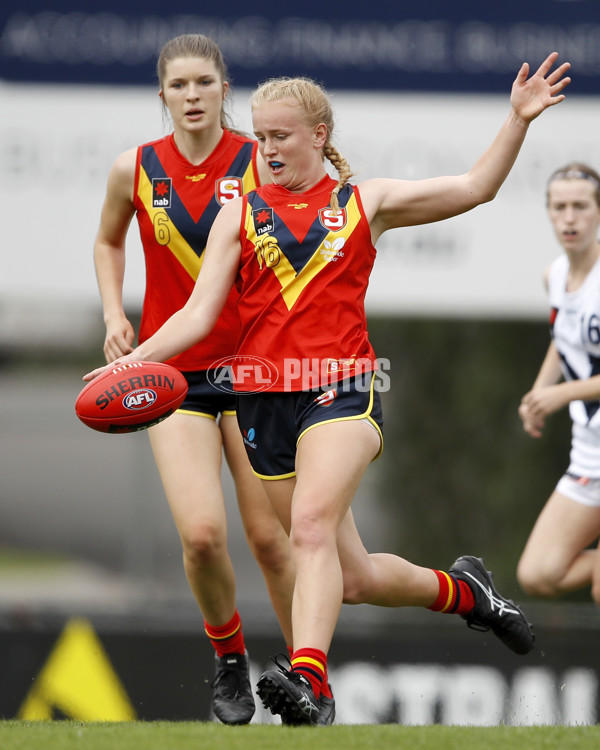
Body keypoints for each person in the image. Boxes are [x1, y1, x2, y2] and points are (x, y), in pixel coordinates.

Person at [86, 51, 570, 725]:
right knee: (358, 577)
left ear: (319, 134)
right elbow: (197, 316)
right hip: (262, 404)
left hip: (342, 392)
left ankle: (310, 681)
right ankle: (470, 594)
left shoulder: (363, 202)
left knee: (309, 527)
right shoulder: (241, 213)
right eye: (259, 136)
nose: (268, 148)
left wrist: (516, 121)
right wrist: (131, 359)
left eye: (280, 135)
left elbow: (475, 187)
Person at [92, 33, 311, 726]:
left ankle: (310, 681)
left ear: (225, 90)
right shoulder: (135, 168)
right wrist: (112, 316)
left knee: (274, 541)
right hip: (173, 375)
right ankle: (228, 659)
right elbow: (107, 240)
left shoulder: (259, 160)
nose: (192, 96)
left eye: (204, 84)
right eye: (179, 86)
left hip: (253, 373)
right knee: (203, 537)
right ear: (163, 95)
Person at [517, 162, 600, 606]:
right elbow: (564, 340)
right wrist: (538, 393)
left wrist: (560, 394)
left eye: (581, 207)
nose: (570, 218)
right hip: (590, 453)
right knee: (539, 573)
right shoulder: (555, 276)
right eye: (560, 207)